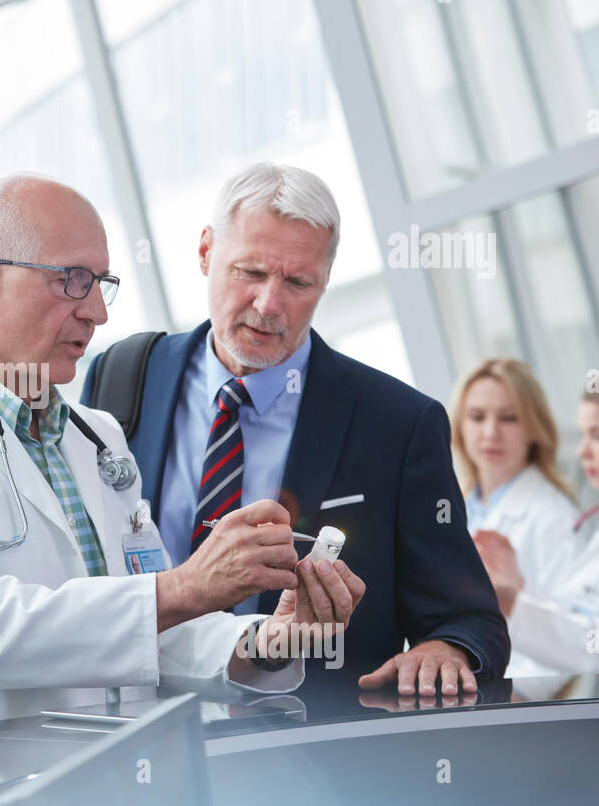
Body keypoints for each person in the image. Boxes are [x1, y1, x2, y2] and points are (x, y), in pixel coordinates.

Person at [0, 172, 365, 742]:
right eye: (72, 281)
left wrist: (267, 641)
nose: (97, 314)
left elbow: (151, 630)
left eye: (100, 283)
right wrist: (183, 587)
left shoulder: (96, 436)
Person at [83, 162, 509, 698]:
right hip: (134, 728)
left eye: (297, 282)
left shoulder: (397, 424)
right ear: (205, 252)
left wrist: (445, 648)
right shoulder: (122, 376)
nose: (268, 305)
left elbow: (469, 621)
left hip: (306, 753)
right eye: (250, 272)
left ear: (325, 281)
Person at [475, 369, 599, 674]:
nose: (583, 451)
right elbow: (576, 616)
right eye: (583, 435)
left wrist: (514, 604)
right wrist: (518, 589)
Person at [449, 359, 578, 680]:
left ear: (534, 427)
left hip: (509, 699)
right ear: (460, 426)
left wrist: (513, 696)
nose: (490, 433)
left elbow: (572, 636)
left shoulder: (555, 517)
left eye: (509, 418)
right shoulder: (454, 506)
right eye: (477, 417)